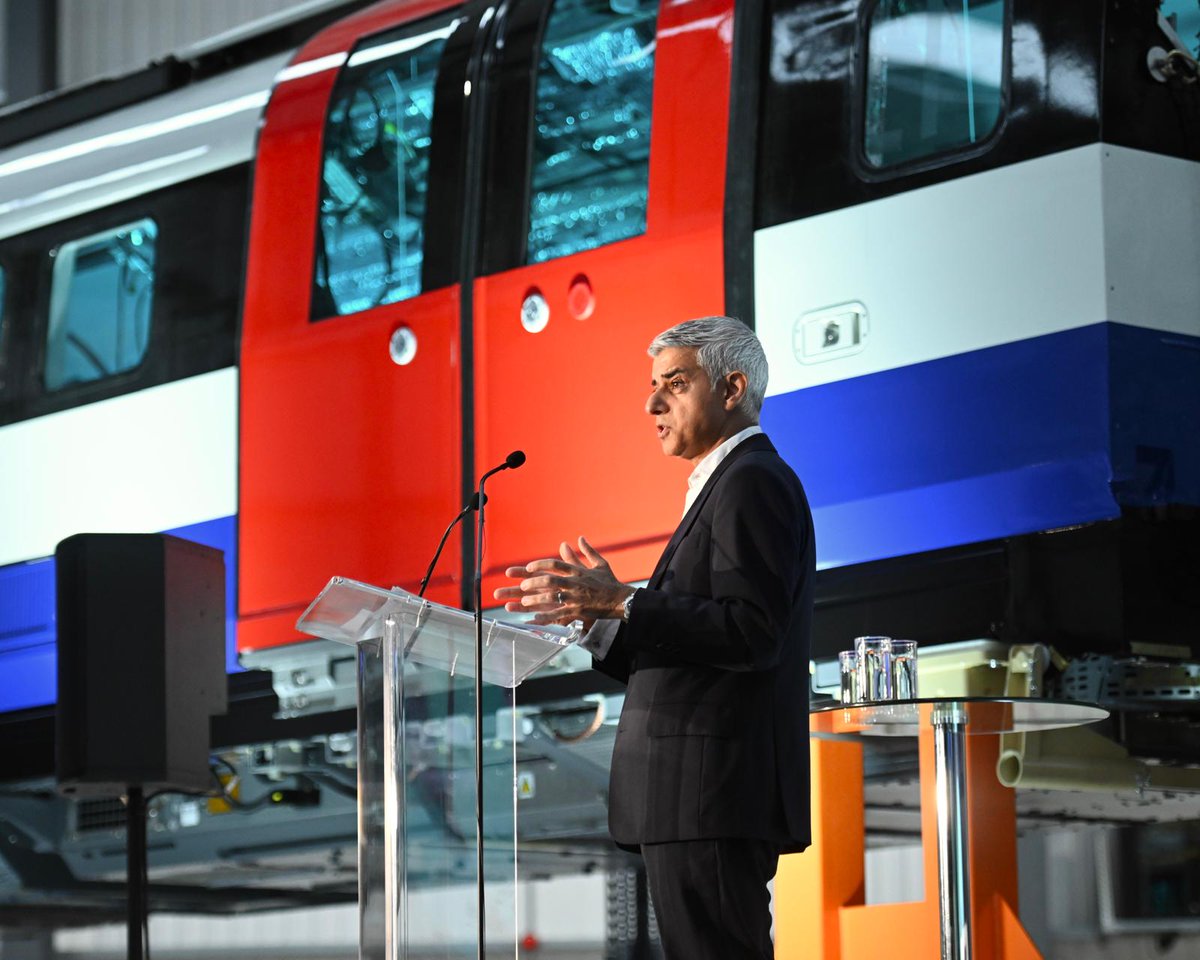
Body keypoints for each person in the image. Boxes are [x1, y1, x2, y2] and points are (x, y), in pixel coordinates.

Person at [495, 315, 814, 960]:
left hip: (710, 793)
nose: (652, 404)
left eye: (675, 383)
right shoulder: (725, 484)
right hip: (692, 798)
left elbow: (752, 633)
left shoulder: (752, 481)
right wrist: (599, 621)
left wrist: (622, 600)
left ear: (731, 388)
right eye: (652, 385)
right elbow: (688, 652)